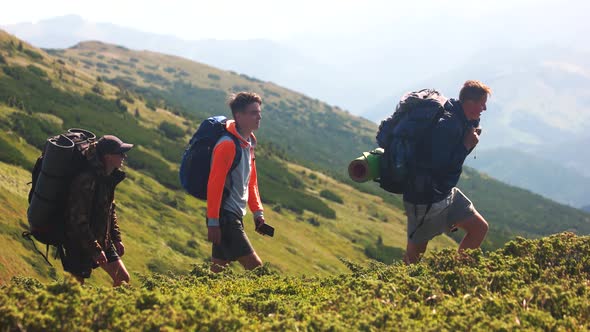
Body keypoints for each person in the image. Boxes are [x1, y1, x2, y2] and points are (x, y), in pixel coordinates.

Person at [403, 80, 491, 264]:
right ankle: (397, 288)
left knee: (479, 228)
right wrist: (466, 145)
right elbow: (439, 165)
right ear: (469, 103)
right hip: (424, 197)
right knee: (413, 258)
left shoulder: (462, 118)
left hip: (444, 193)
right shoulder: (448, 125)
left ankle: (456, 273)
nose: (484, 109)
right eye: (482, 103)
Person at [206, 92, 267, 272]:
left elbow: (251, 182)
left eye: (259, 112)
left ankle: (204, 300)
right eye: (253, 112)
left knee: (218, 271)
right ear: (239, 116)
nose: (259, 116)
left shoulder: (248, 144)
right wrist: (213, 222)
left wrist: (258, 213)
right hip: (226, 218)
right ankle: (265, 300)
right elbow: (214, 184)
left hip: (234, 215)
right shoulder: (227, 145)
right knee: (257, 269)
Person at [63, 135, 133, 286]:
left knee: (122, 280)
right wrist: (95, 249)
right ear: (108, 156)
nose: (124, 156)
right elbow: (77, 220)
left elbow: (109, 210)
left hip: (102, 240)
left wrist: (116, 238)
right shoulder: (86, 180)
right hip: (79, 242)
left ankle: (108, 310)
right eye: (120, 153)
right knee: (74, 289)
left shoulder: (107, 178)